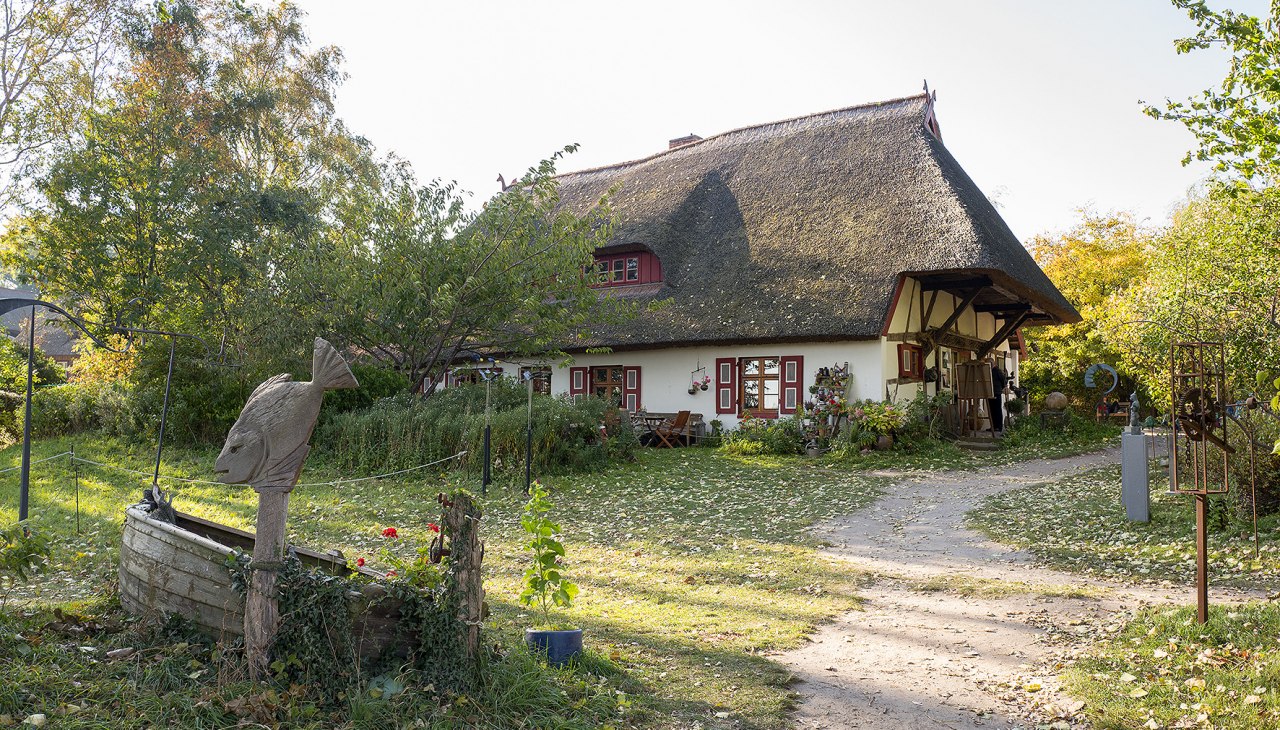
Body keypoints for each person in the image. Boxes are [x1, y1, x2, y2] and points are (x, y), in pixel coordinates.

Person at [988, 359, 1007, 433]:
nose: (989, 364)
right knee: (991, 410)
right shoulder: (988, 371)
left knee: (997, 410)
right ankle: (993, 426)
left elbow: (1003, 380)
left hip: (997, 392)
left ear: (993, 363)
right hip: (990, 392)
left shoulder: (997, 370)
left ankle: (999, 427)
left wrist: (1001, 388)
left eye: (990, 363)